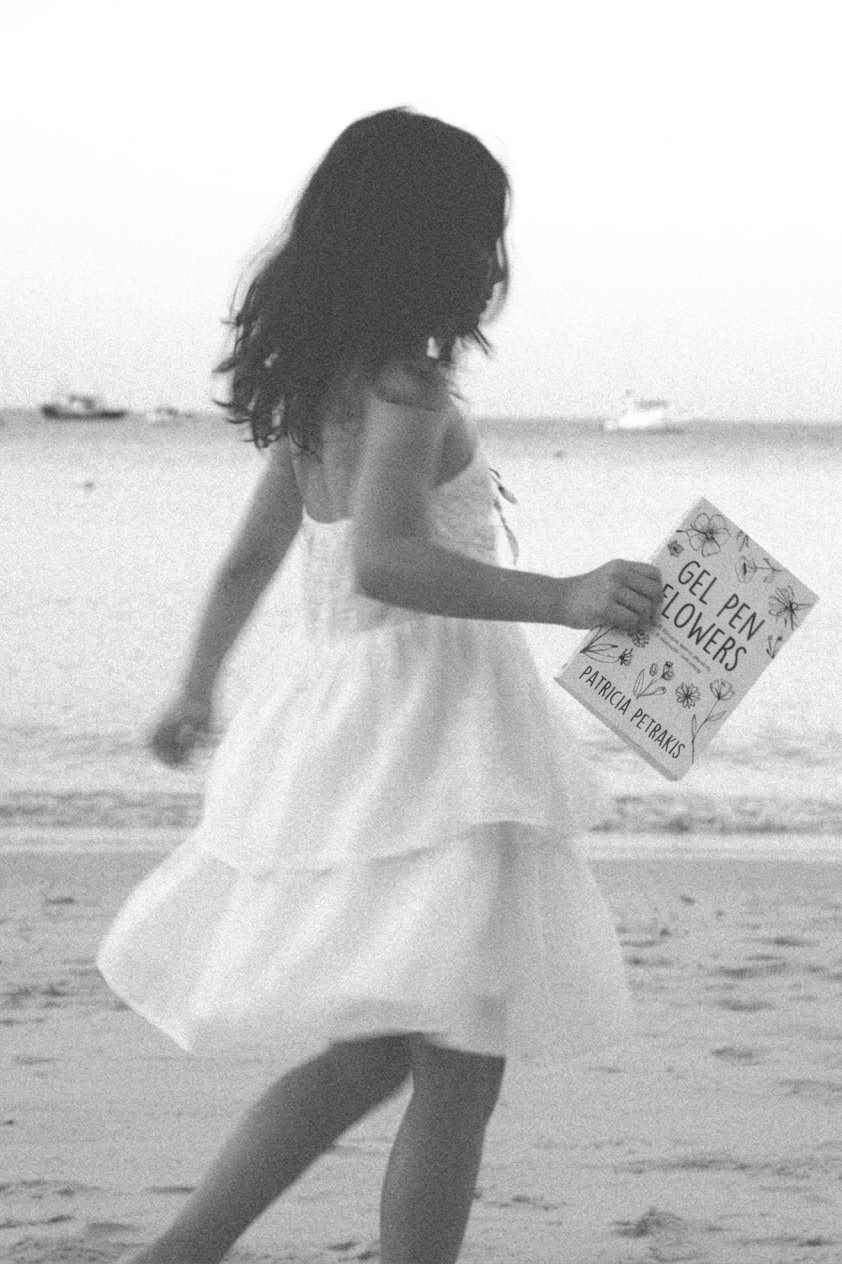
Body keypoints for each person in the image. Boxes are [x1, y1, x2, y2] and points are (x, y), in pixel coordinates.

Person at [98, 106, 662, 1264]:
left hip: (361, 726)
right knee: (457, 1064)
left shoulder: (324, 382)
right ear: (439, 245)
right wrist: (562, 596)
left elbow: (262, 555)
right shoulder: (407, 384)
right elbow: (387, 558)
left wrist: (198, 682)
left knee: (374, 1052)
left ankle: (178, 1253)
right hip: (436, 741)